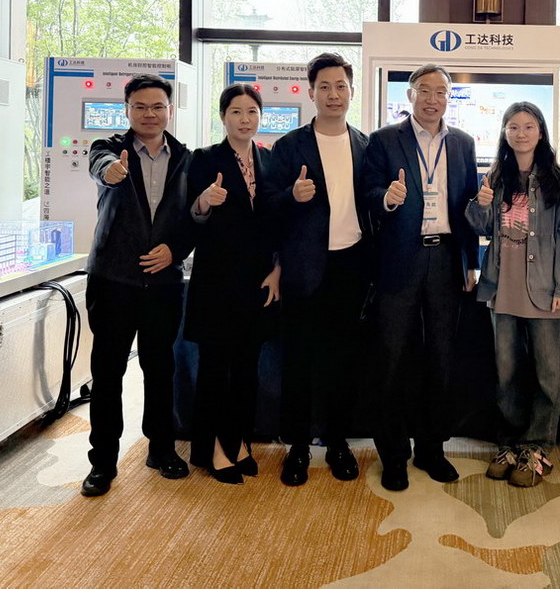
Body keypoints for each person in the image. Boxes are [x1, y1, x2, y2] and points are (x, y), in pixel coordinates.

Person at [362, 63, 479, 492]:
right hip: (400, 260)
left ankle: (432, 449)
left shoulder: (463, 143)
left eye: (441, 92)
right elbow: (367, 193)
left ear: (449, 98)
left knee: (440, 359)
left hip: (445, 259)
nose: (433, 99)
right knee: (391, 359)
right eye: (424, 90)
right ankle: (394, 455)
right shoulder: (384, 140)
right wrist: (387, 198)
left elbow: (469, 205)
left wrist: (470, 260)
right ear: (410, 95)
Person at [81, 74, 195, 497]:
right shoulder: (109, 150)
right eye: (141, 107)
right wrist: (110, 171)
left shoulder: (185, 158)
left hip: (163, 283)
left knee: (160, 369)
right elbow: (100, 166)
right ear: (127, 110)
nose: (150, 114)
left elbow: (192, 218)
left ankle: (161, 449)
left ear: (170, 110)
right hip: (113, 280)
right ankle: (102, 462)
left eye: (158, 106)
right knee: (107, 373)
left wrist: (175, 250)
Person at [264, 53, 370, 487]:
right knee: (300, 362)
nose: (333, 94)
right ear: (311, 93)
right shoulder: (289, 146)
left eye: (340, 86)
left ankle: (338, 442)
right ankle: (298, 447)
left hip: (351, 266)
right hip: (304, 269)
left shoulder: (365, 144)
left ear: (351, 91)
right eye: (324, 86)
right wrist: (292, 196)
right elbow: (267, 206)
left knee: (344, 361)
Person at [465, 102, 560, 488]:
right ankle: (510, 443)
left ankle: (537, 446)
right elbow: (480, 226)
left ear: (541, 132)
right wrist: (480, 204)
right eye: (513, 126)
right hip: (502, 288)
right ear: (504, 133)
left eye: (528, 126)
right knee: (506, 374)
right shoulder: (496, 175)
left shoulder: (559, 180)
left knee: (548, 374)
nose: (521, 133)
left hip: (546, 290)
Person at [184, 83, 281, 484]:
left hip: (259, 280)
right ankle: (211, 449)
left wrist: (278, 268)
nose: (245, 119)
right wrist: (204, 201)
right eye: (236, 112)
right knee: (214, 370)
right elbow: (188, 215)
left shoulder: (269, 159)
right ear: (223, 117)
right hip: (217, 281)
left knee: (246, 369)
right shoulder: (205, 159)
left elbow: (278, 221)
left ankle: (239, 442)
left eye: (252, 112)